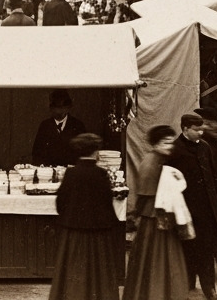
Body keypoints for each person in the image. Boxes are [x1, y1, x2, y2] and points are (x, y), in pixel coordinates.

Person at [166, 114, 217, 300]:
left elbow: (214, 177)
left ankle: (209, 289)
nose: (200, 132)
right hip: (186, 211)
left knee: (206, 251)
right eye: (196, 130)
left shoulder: (205, 147)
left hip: (206, 211)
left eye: (201, 129)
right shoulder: (175, 150)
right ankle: (187, 287)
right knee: (186, 250)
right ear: (185, 129)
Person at [49, 133, 120, 300]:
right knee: (98, 269)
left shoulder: (71, 173)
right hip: (98, 232)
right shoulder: (101, 174)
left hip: (74, 232)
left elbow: (61, 202)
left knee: (74, 267)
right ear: (96, 152)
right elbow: (107, 202)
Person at [124, 125, 189, 300]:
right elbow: (145, 193)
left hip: (159, 214)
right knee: (157, 257)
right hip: (154, 217)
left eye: (171, 142)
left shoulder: (160, 160)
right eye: (165, 142)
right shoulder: (151, 163)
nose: (170, 146)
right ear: (156, 144)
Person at [31, 90, 87, 167]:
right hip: (48, 172)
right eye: (56, 108)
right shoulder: (45, 126)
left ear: (68, 108)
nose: (59, 111)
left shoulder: (78, 126)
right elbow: (36, 153)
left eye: (62, 108)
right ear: (51, 108)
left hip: (71, 173)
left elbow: (84, 153)